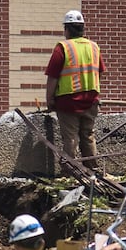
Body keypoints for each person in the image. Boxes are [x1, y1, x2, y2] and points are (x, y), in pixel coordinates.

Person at [45, 9, 106, 165]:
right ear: (82, 28)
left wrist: (50, 99)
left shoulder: (62, 48)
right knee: (88, 135)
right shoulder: (94, 47)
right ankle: (92, 171)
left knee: (71, 138)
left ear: (66, 29)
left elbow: (53, 77)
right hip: (91, 101)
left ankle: (71, 173)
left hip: (68, 101)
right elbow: (100, 72)